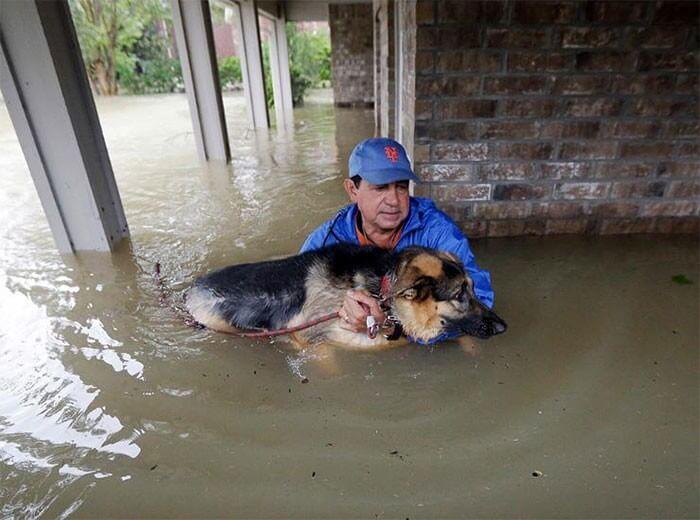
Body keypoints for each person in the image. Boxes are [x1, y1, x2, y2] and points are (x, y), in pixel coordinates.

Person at [300, 137, 494, 344]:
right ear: (352, 190)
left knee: (469, 345)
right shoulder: (325, 242)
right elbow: (296, 309)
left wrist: (393, 328)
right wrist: (341, 311)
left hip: (419, 343)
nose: (394, 200)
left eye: (401, 187)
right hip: (358, 341)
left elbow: (481, 298)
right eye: (381, 187)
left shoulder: (435, 231)